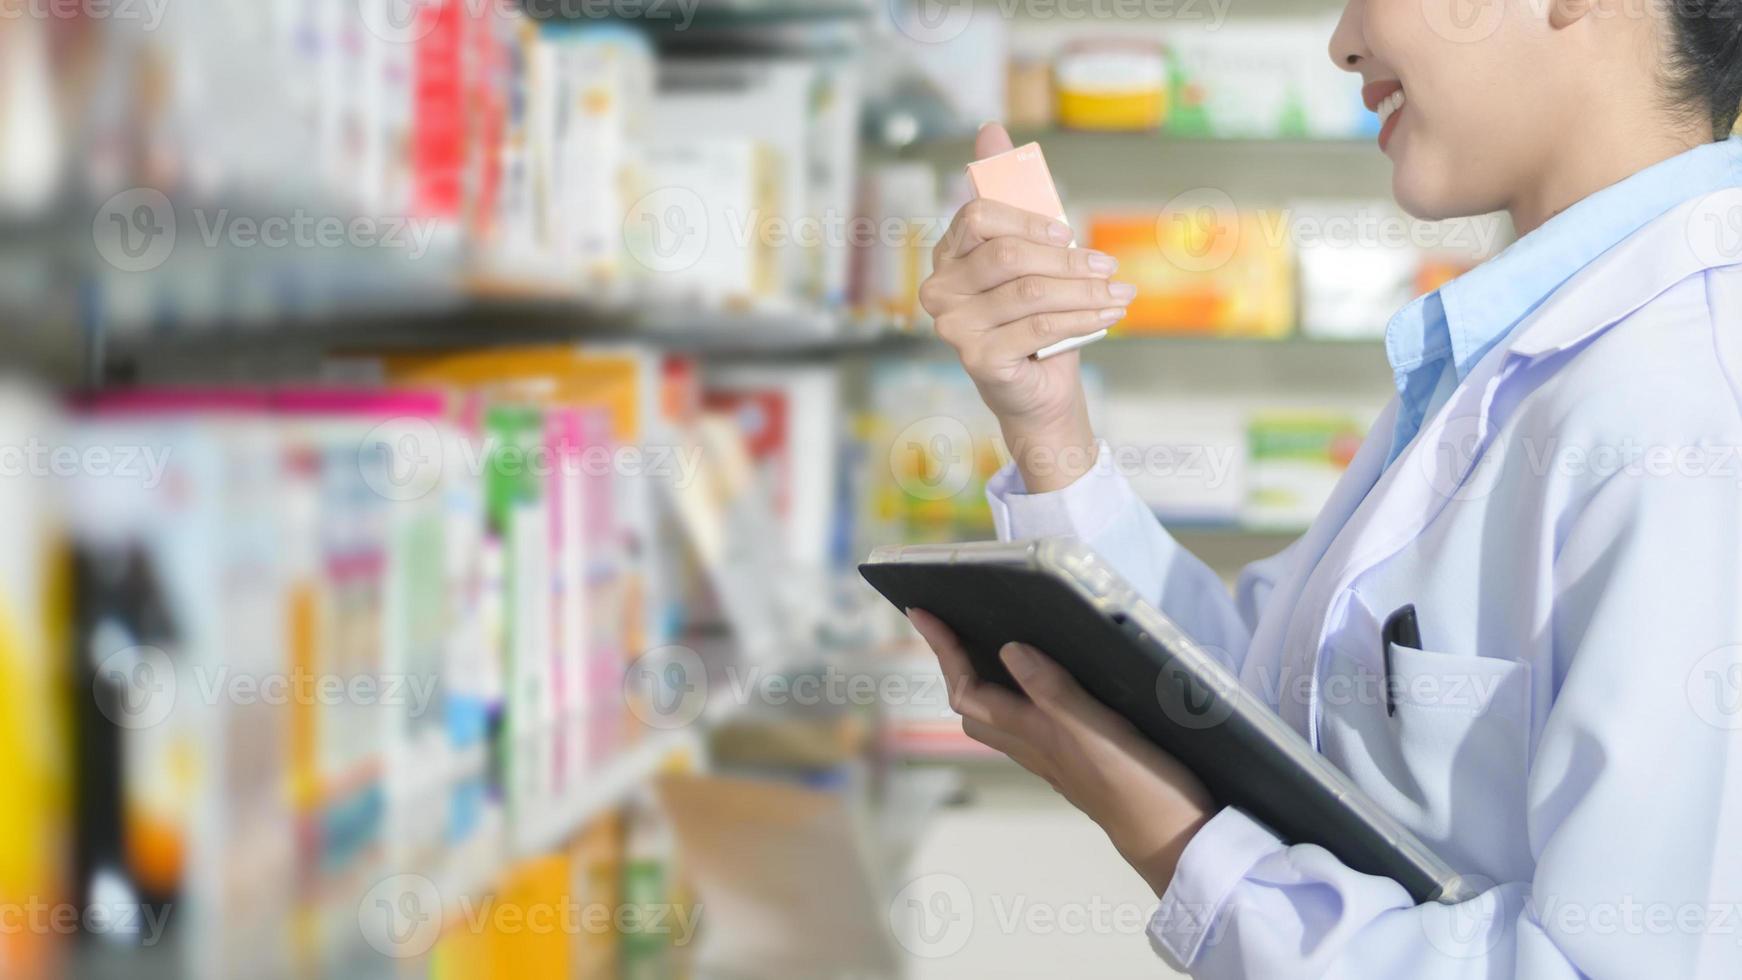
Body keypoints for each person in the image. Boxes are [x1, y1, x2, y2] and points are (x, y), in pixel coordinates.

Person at [909, 0, 1742, 974]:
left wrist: (1181, 847)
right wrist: (1049, 423)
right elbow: (1264, 711)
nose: (1341, 38)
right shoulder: (1506, 360)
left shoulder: (1688, 405)